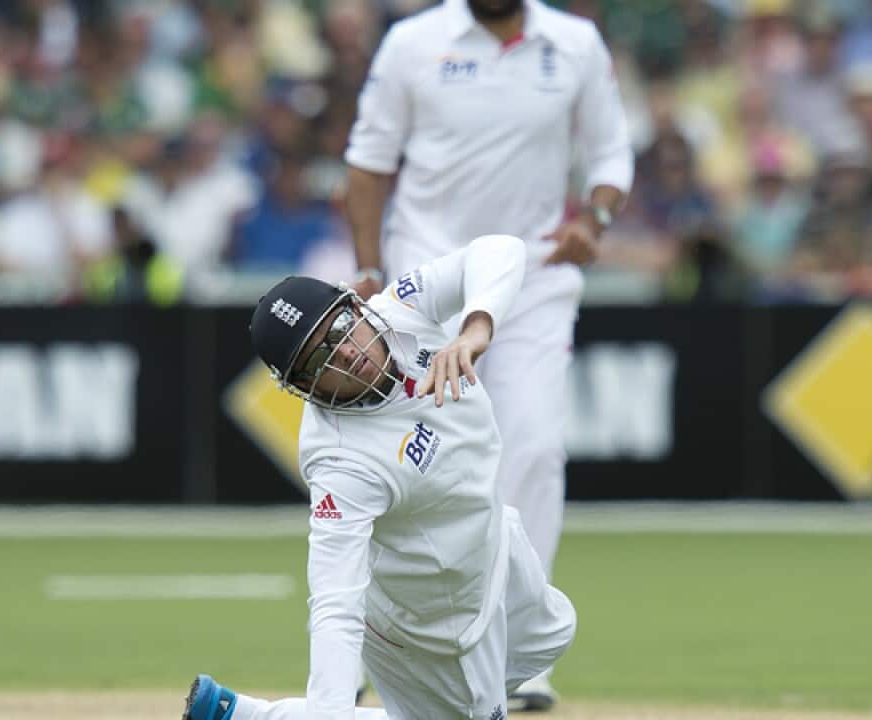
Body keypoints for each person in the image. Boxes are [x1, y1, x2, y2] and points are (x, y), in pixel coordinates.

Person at [343, 0, 633, 708]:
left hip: (533, 277)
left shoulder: (573, 43)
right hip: (425, 277)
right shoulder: (413, 42)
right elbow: (369, 162)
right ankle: (371, 643)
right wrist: (371, 269)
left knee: (530, 449)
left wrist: (593, 219)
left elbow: (610, 153)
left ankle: (515, 653)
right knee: (403, 458)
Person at [182, 234, 576, 720]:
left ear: (356, 305)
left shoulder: (402, 309)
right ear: (303, 388)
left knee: (552, 633)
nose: (346, 352)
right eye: (319, 358)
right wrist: (331, 711)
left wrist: (476, 328)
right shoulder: (339, 462)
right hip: (429, 617)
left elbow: (500, 249)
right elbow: (334, 603)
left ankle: (238, 714)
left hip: (495, 545)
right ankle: (249, 716)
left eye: (342, 327)